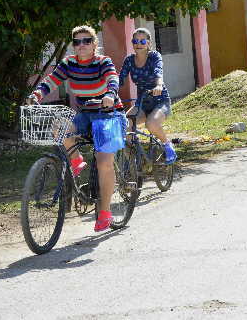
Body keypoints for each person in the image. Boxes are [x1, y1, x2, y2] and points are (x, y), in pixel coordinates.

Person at [27, 25, 125, 232]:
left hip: (108, 114)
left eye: (86, 41)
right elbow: (51, 81)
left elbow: (112, 78)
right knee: (59, 127)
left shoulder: (102, 62)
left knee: (103, 161)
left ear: (94, 44)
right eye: (77, 41)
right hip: (86, 113)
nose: (81, 45)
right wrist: (36, 95)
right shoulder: (69, 63)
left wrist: (110, 93)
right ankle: (76, 159)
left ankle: (105, 213)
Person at [119, 27, 176, 164]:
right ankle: (134, 163)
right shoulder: (129, 60)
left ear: (149, 43)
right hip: (142, 102)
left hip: (160, 100)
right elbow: (120, 78)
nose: (138, 44)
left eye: (143, 41)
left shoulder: (154, 56)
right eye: (135, 41)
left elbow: (158, 72)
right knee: (124, 124)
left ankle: (167, 145)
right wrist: (109, 89)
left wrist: (159, 85)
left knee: (151, 124)